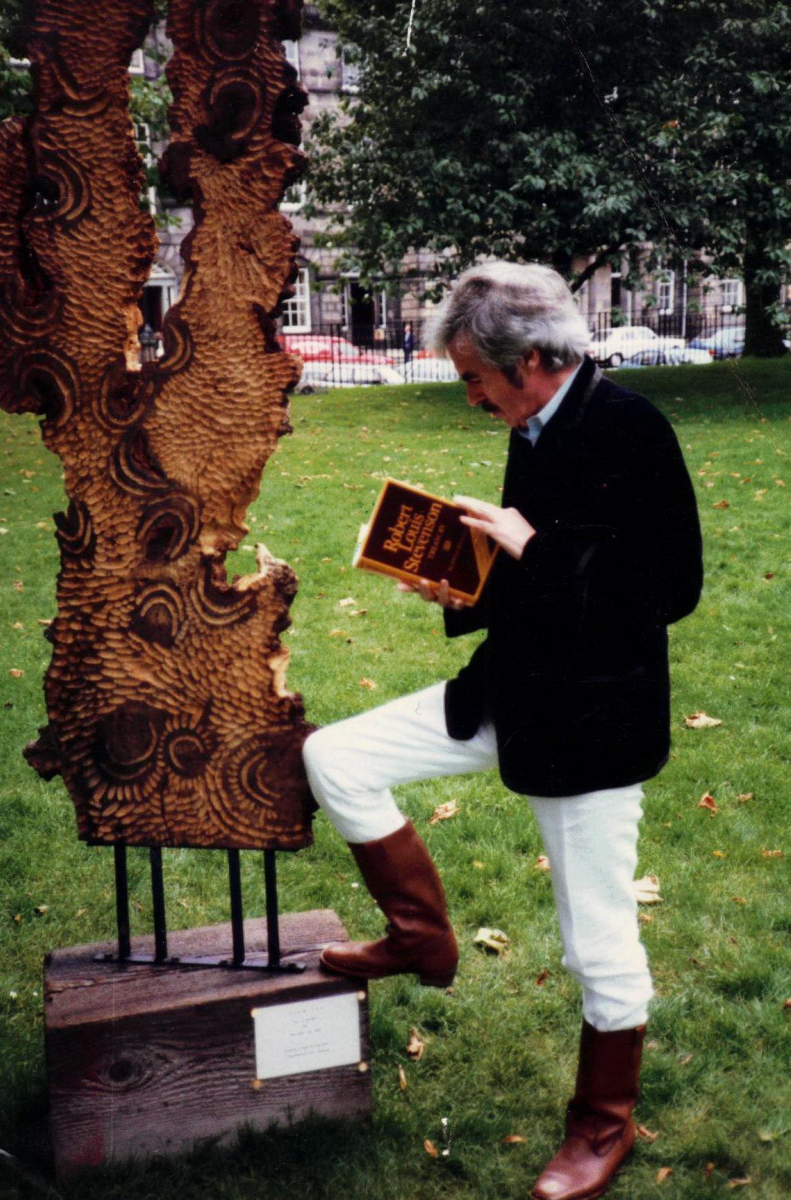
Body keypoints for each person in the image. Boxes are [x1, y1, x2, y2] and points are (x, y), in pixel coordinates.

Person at [303, 262, 703, 1200]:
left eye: (474, 378)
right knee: (337, 757)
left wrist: (533, 547)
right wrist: (462, 584)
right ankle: (420, 938)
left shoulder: (632, 425)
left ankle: (603, 1125)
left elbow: (667, 590)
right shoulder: (535, 424)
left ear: (529, 360)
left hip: (592, 726)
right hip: (513, 696)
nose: (469, 395)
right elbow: (542, 582)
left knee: (594, 943)